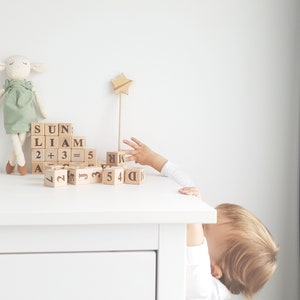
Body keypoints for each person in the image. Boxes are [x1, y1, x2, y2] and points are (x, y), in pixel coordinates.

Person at [123, 137, 279, 300]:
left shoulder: (207, 291)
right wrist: (152, 159)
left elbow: (196, 247)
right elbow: (187, 186)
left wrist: (195, 212)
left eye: (204, 226)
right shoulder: (203, 264)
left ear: (214, 270)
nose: (200, 222)